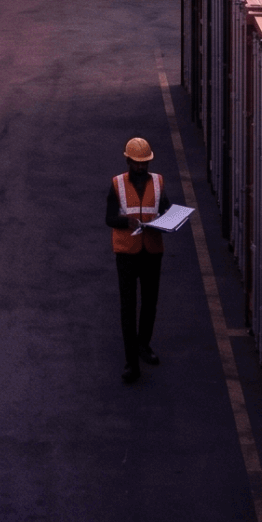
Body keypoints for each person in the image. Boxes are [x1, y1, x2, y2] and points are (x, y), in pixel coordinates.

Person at [106, 137, 167, 382]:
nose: (141, 168)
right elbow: (109, 218)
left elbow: (166, 208)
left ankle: (144, 344)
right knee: (128, 307)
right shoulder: (117, 184)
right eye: (137, 164)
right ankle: (131, 362)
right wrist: (126, 221)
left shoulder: (159, 182)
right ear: (128, 161)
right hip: (127, 253)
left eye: (145, 164)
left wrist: (166, 222)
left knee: (150, 303)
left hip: (152, 251)